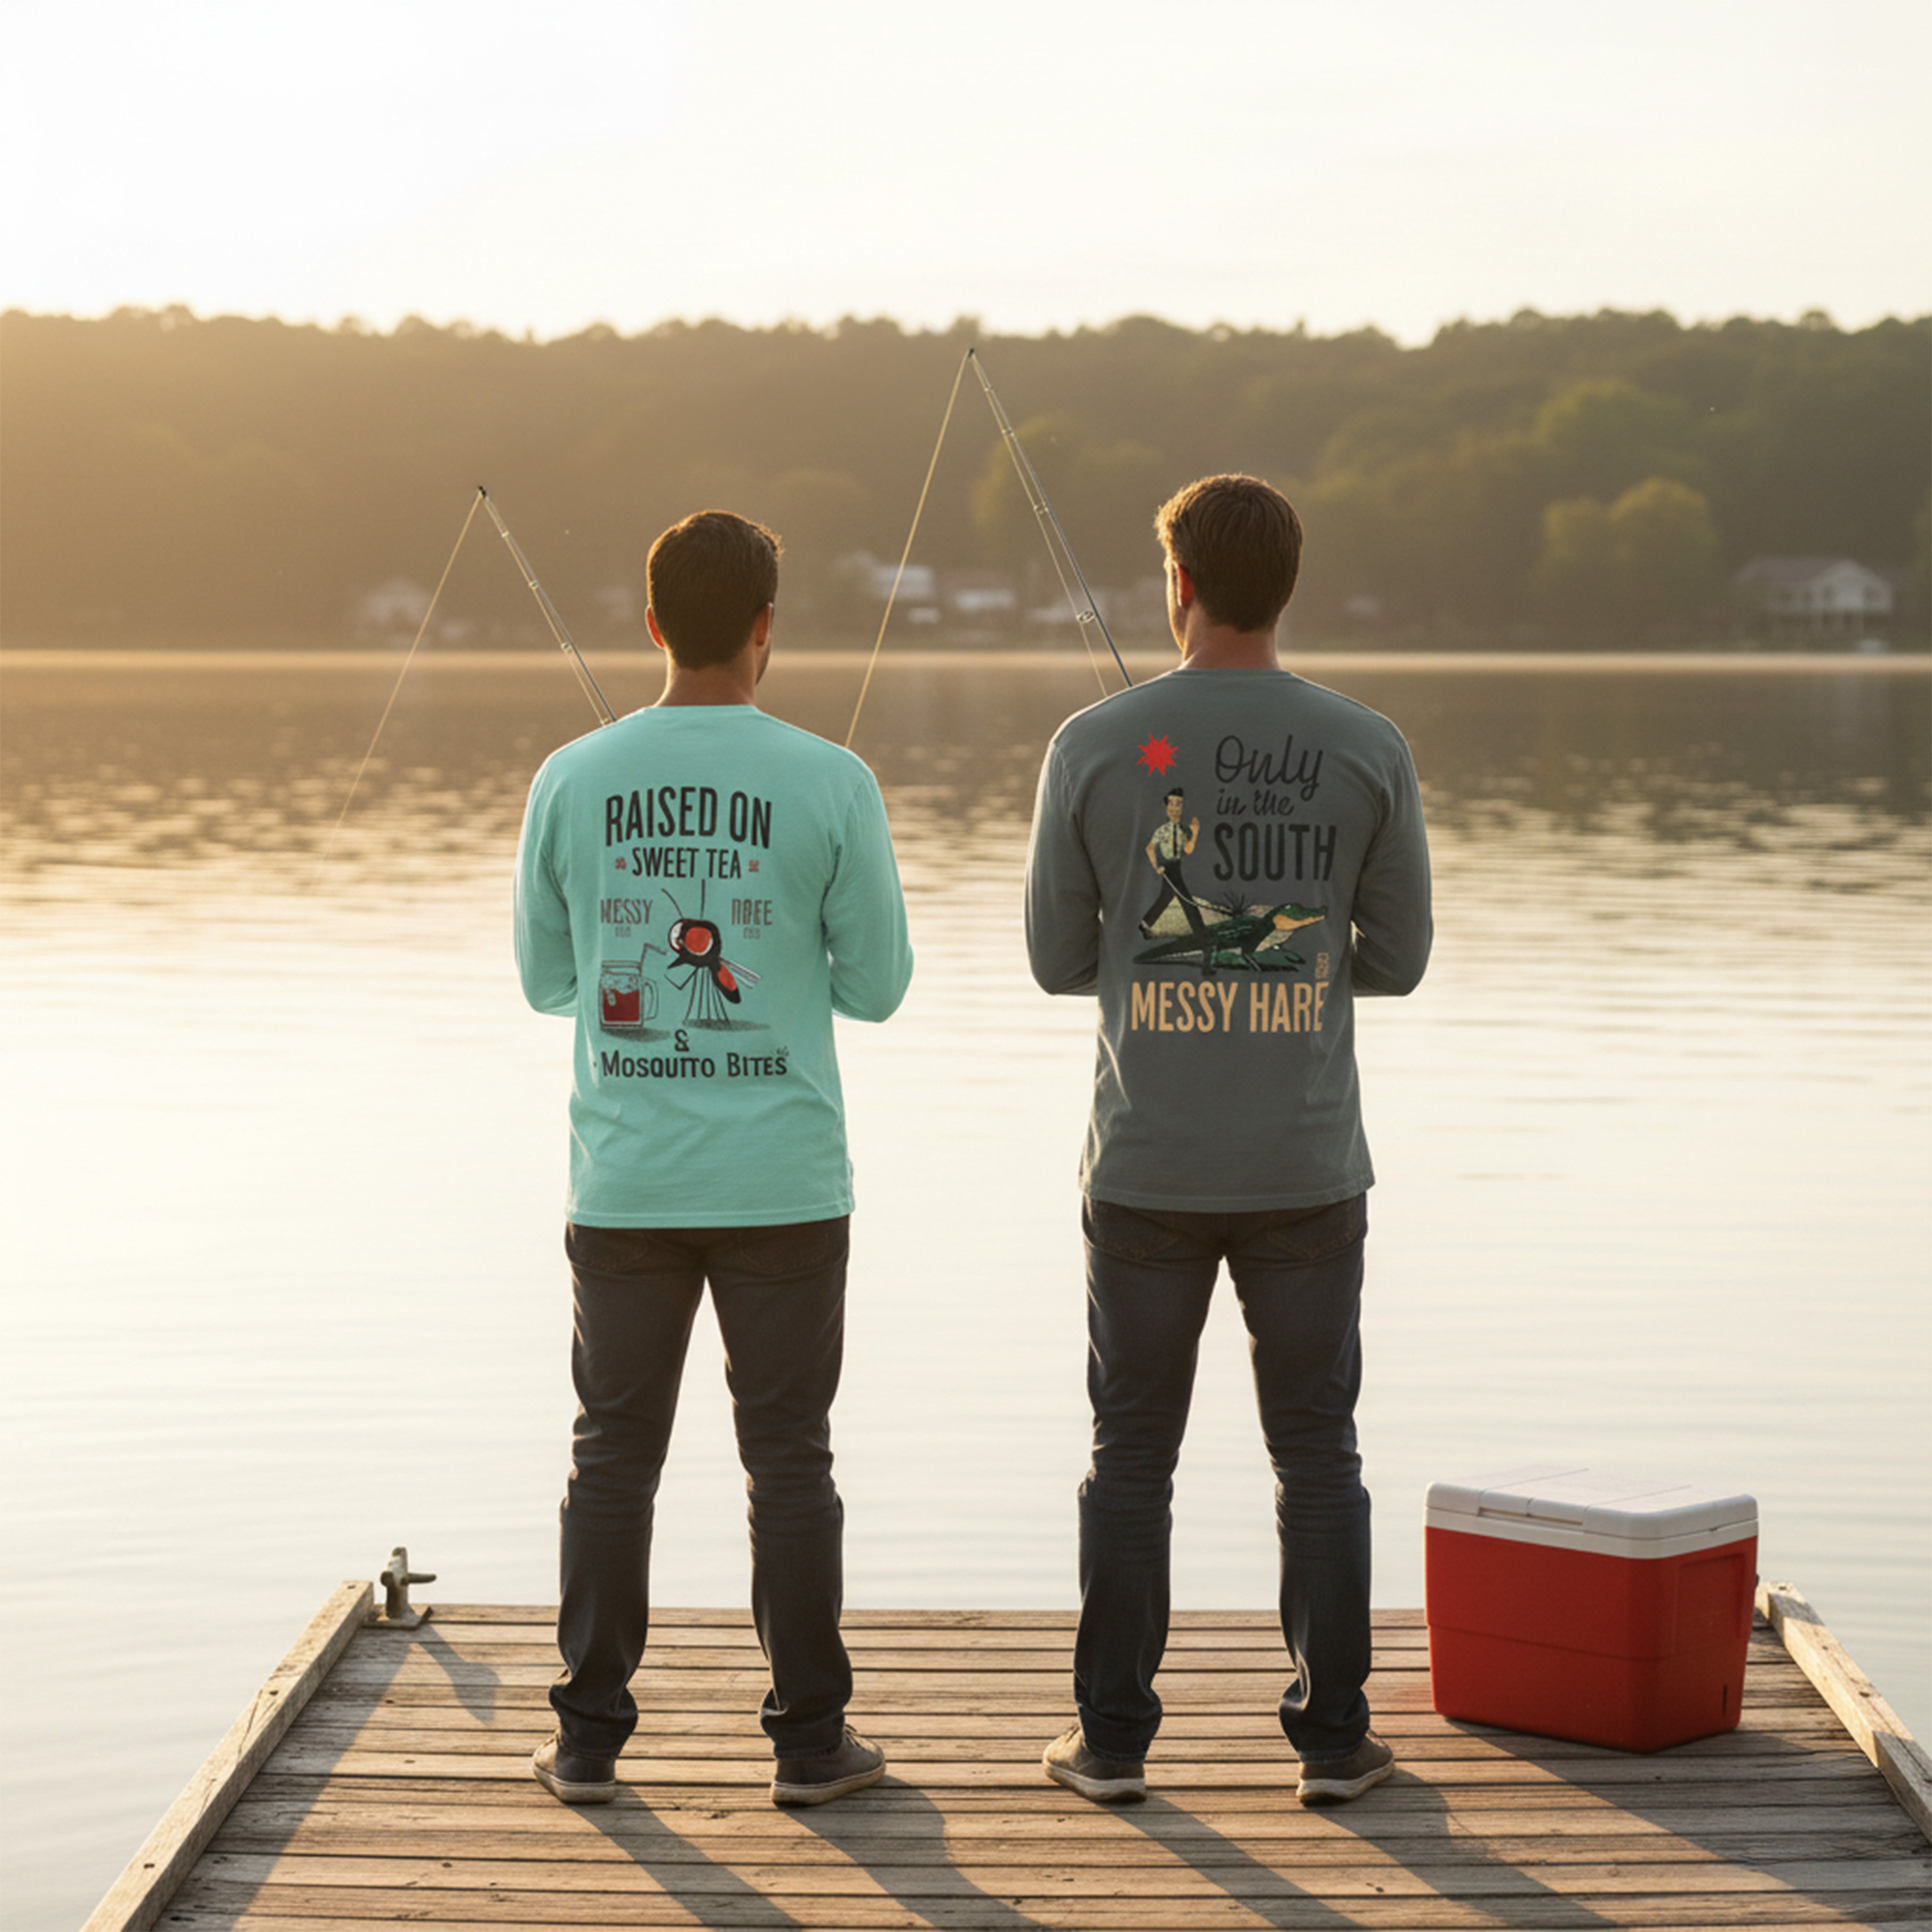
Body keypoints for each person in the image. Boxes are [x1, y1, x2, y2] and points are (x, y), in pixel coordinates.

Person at [1023, 474, 1431, 1808]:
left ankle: (1113, 1746)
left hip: (1144, 1168)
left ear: (1177, 587)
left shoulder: (1095, 742)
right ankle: (1333, 1746)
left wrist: (1158, 962)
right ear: (1287, 587)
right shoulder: (1370, 745)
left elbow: (1053, 959)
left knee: (1129, 1457)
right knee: (1319, 1452)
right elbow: (1403, 959)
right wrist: (1297, 974)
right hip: (1307, 1169)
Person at [514, 509, 913, 1808]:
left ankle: (586, 1743)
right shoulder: (834, 779)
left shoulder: (571, 778)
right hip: (786, 1187)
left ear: (650, 624)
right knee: (789, 1457)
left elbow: (544, 982)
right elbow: (881, 990)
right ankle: (810, 1747)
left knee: (611, 1456)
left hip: (626, 1185)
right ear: (765, 628)